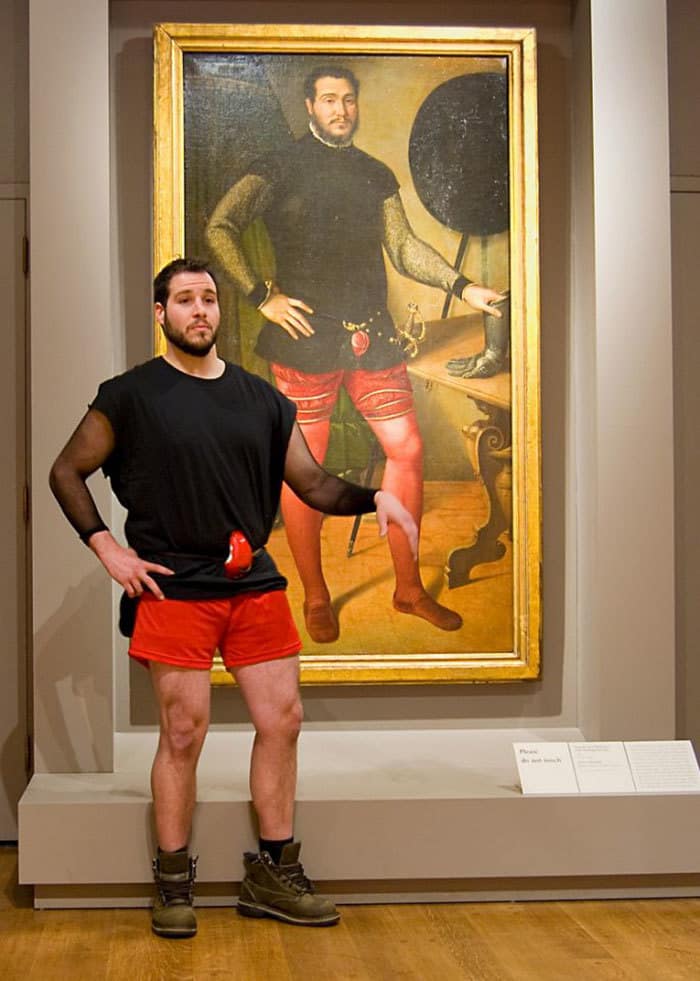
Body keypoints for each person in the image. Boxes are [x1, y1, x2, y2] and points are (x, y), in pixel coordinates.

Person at [49, 257, 417, 939]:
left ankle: (273, 873)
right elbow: (66, 470)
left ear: (221, 311)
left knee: (284, 720)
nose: (200, 310)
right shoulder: (130, 395)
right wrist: (107, 546)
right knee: (183, 732)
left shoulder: (261, 400)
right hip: (173, 585)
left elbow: (312, 483)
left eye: (209, 299)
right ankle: (173, 880)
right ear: (160, 313)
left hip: (253, 584)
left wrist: (377, 498)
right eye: (185, 299)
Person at [206, 64, 505, 644]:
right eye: (328, 100)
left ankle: (408, 588)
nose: (340, 110)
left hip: (371, 335)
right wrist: (261, 295)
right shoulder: (277, 166)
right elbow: (221, 227)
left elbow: (403, 246)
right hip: (304, 341)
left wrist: (463, 287)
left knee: (407, 448)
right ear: (310, 106)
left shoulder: (375, 173)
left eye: (348, 100)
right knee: (307, 471)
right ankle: (316, 595)